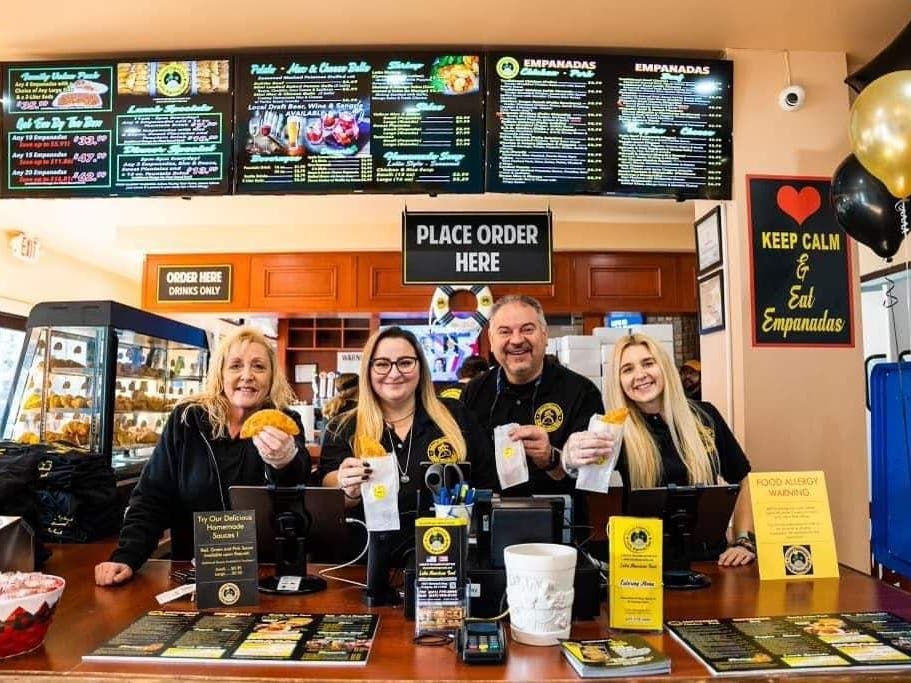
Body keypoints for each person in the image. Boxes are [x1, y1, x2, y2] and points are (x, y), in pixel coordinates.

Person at [95, 327, 310, 586]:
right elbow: (153, 495)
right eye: (235, 365)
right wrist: (127, 556)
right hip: (192, 573)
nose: (247, 375)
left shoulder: (284, 423)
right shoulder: (187, 420)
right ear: (220, 373)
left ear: (272, 376)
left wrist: (285, 462)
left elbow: (301, 486)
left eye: (259, 367)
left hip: (264, 575)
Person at [571, 332, 754, 567]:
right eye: (627, 369)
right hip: (643, 561)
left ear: (664, 367)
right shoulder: (615, 431)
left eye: (648, 363)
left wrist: (742, 541)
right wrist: (573, 456)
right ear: (618, 381)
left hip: (709, 561)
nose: (640, 375)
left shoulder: (705, 416)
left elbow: (742, 478)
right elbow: (586, 485)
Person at [460, 295, 609, 535]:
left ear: (544, 334)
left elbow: (593, 474)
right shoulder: (474, 392)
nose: (516, 340)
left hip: (562, 531)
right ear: (491, 339)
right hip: (490, 528)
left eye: (527, 329)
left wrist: (552, 459)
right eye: (505, 331)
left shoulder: (581, 391)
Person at [319, 326, 497, 521]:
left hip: (445, 543)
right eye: (382, 364)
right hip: (370, 547)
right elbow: (326, 491)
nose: (394, 373)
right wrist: (347, 488)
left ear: (421, 367)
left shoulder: (455, 414)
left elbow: (487, 482)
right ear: (368, 370)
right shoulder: (342, 427)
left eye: (405, 363)